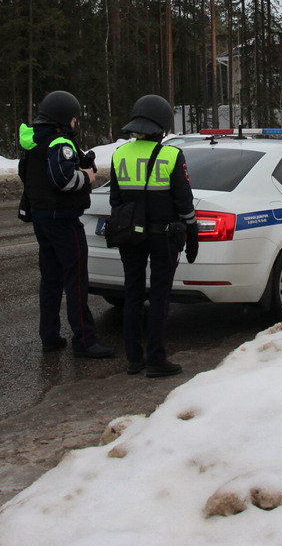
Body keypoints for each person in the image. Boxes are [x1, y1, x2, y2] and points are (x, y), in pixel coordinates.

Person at [19, 90, 115, 358]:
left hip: (41, 217)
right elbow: (62, 180)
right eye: (74, 118)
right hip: (63, 219)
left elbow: (23, 174)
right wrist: (87, 176)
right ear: (64, 118)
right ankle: (84, 340)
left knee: (50, 279)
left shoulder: (33, 141)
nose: (75, 123)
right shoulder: (61, 143)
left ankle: (49, 336)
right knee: (76, 280)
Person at [110, 95, 197, 378]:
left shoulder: (119, 154)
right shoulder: (172, 155)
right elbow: (184, 202)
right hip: (164, 237)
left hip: (130, 236)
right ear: (162, 128)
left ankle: (134, 359)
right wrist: (193, 234)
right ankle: (156, 359)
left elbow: (115, 199)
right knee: (160, 295)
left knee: (132, 293)